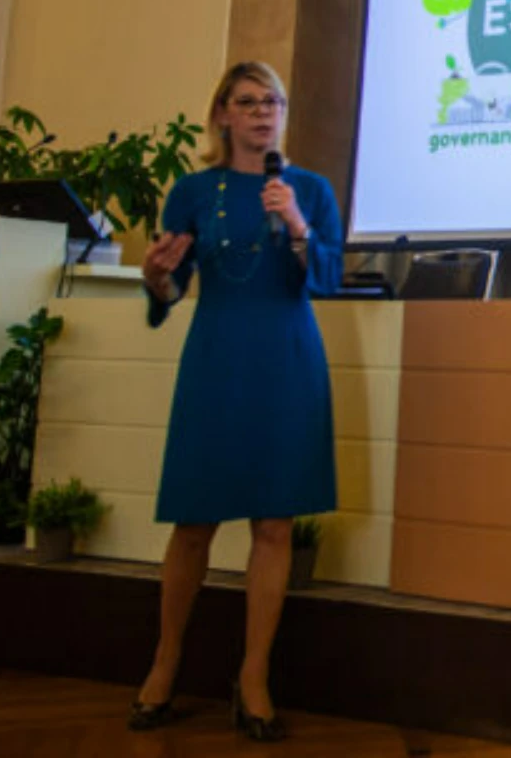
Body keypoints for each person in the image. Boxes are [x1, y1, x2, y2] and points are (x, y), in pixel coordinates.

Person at [130, 61, 341, 741]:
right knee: (193, 521)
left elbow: (328, 280)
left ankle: (253, 678)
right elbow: (171, 291)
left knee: (274, 525)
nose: (262, 113)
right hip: (217, 358)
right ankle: (165, 663)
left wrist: (298, 223)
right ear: (222, 114)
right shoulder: (193, 191)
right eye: (247, 102)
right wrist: (155, 278)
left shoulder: (309, 189)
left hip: (287, 360)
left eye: (272, 102)